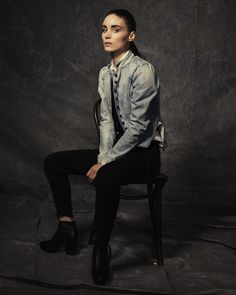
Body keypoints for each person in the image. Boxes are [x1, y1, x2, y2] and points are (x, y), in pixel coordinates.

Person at [39, 8, 164, 285]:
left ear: (130, 36)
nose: (107, 34)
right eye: (104, 29)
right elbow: (107, 121)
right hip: (115, 151)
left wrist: (105, 162)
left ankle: (100, 250)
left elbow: (139, 128)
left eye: (115, 29)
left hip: (143, 154)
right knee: (53, 162)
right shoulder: (105, 73)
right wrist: (104, 155)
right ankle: (66, 227)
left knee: (106, 175)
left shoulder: (143, 71)